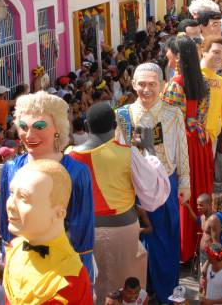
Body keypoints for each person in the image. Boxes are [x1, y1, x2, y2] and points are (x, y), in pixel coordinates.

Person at [67, 102, 169, 303]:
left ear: (86, 126)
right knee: (126, 291)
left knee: (92, 288)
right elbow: (153, 193)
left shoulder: (69, 156)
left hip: (83, 234)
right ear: (115, 126)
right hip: (123, 232)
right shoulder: (127, 153)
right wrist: (148, 150)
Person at [0, 92, 95, 279]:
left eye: (39, 126)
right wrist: (8, 260)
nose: (29, 135)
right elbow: (6, 225)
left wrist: (82, 273)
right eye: (23, 127)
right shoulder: (11, 168)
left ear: (57, 128)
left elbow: (82, 229)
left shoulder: (76, 172)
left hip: (62, 267)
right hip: (21, 263)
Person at [115, 63, 190, 304]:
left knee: (166, 240)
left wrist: (185, 183)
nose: (146, 90)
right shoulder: (123, 115)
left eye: (152, 84)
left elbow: (182, 149)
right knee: (135, 242)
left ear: (162, 85)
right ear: (133, 84)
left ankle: (167, 292)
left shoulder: (173, 113)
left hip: (165, 185)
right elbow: (117, 151)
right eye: (141, 84)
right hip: (133, 188)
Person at [3, 160, 92, 304]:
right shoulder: (14, 250)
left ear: (58, 213)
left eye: (23, 197)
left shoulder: (72, 277)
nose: (10, 205)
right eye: (12, 192)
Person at [161, 36, 214, 263]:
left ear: (178, 57)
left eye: (169, 52)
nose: (166, 56)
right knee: (200, 189)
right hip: (200, 140)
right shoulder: (202, 82)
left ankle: (184, 247)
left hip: (183, 142)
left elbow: (167, 120)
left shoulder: (174, 85)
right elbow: (201, 115)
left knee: (184, 191)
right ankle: (200, 240)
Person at [199, 36, 222, 198]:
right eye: (215, 52)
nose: (220, 57)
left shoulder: (221, 81)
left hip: (211, 137)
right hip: (193, 137)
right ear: (203, 52)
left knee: (207, 174)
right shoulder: (193, 76)